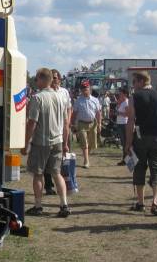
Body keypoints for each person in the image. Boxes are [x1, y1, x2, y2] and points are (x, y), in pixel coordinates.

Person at [124, 70, 157, 216]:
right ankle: (155, 202)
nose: (133, 85)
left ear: (141, 81)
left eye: (134, 82)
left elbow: (131, 120)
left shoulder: (135, 96)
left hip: (141, 137)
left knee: (139, 168)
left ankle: (140, 203)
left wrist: (128, 143)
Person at [21, 68, 71, 217]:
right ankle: (64, 205)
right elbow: (65, 122)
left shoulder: (38, 98)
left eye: (37, 79)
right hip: (57, 140)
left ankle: (38, 206)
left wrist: (25, 143)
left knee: (38, 174)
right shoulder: (60, 97)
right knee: (56, 173)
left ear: (42, 79)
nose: (36, 82)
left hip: (41, 142)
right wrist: (65, 142)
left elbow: (32, 123)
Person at [44, 69, 72, 195]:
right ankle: (49, 186)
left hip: (62, 128)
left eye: (55, 78)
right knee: (46, 161)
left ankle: (66, 183)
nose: (54, 80)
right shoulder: (45, 92)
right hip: (49, 130)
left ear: (59, 79)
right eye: (52, 78)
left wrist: (67, 121)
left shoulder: (64, 92)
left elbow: (69, 108)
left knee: (61, 159)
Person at [71, 81, 101, 168]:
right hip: (81, 124)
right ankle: (86, 160)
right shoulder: (78, 101)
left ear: (90, 89)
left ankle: (86, 154)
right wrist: (72, 124)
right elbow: (74, 113)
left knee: (92, 143)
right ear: (81, 90)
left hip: (93, 124)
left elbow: (98, 113)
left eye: (86, 88)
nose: (85, 90)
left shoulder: (95, 100)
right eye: (83, 89)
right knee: (84, 141)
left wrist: (99, 124)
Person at [115, 87, 130, 165]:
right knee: (123, 143)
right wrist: (119, 102)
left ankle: (126, 160)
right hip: (120, 123)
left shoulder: (126, 102)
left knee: (125, 143)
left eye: (121, 93)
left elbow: (128, 114)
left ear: (125, 94)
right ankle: (125, 160)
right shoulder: (122, 102)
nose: (119, 94)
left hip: (124, 124)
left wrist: (119, 113)